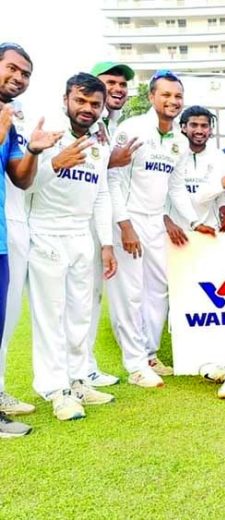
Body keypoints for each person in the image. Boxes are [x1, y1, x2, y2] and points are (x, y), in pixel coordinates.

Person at [108, 70, 216, 389]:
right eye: (165, 95)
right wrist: (125, 225)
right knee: (130, 293)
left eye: (177, 96)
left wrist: (195, 222)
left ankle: (149, 353)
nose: (172, 101)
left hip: (155, 221)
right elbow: (114, 179)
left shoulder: (179, 143)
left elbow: (176, 188)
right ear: (152, 97)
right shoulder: (132, 129)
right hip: (128, 220)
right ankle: (135, 364)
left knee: (158, 289)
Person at [28, 73, 119, 421]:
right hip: (47, 232)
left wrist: (106, 244)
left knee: (81, 314)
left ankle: (79, 379)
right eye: (80, 101)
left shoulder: (100, 142)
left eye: (94, 104)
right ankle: (56, 390)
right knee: (52, 315)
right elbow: (27, 186)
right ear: (65, 99)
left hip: (82, 235)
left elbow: (101, 195)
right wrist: (54, 161)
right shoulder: (47, 136)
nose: (87, 109)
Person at [0, 42, 65, 436]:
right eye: (13, 68)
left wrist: (36, 152)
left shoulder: (9, 119)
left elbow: (20, 178)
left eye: (26, 74)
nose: (19, 78)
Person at [81, 61, 139, 388]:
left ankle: (86, 366)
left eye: (121, 84)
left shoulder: (111, 124)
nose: (117, 89)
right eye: (110, 82)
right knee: (80, 298)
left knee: (91, 297)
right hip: (78, 221)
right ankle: (77, 370)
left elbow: (109, 181)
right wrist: (125, 224)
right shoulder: (91, 122)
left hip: (99, 220)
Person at [168, 106, 224, 233]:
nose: (199, 130)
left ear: (210, 130)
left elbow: (220, 193)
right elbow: (161, 194)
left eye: (204, 126)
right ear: (183, 127)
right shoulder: (171, 155)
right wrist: (167, 221)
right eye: (193, 125)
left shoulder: (218, 156)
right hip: (177, 231)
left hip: (210, 229)